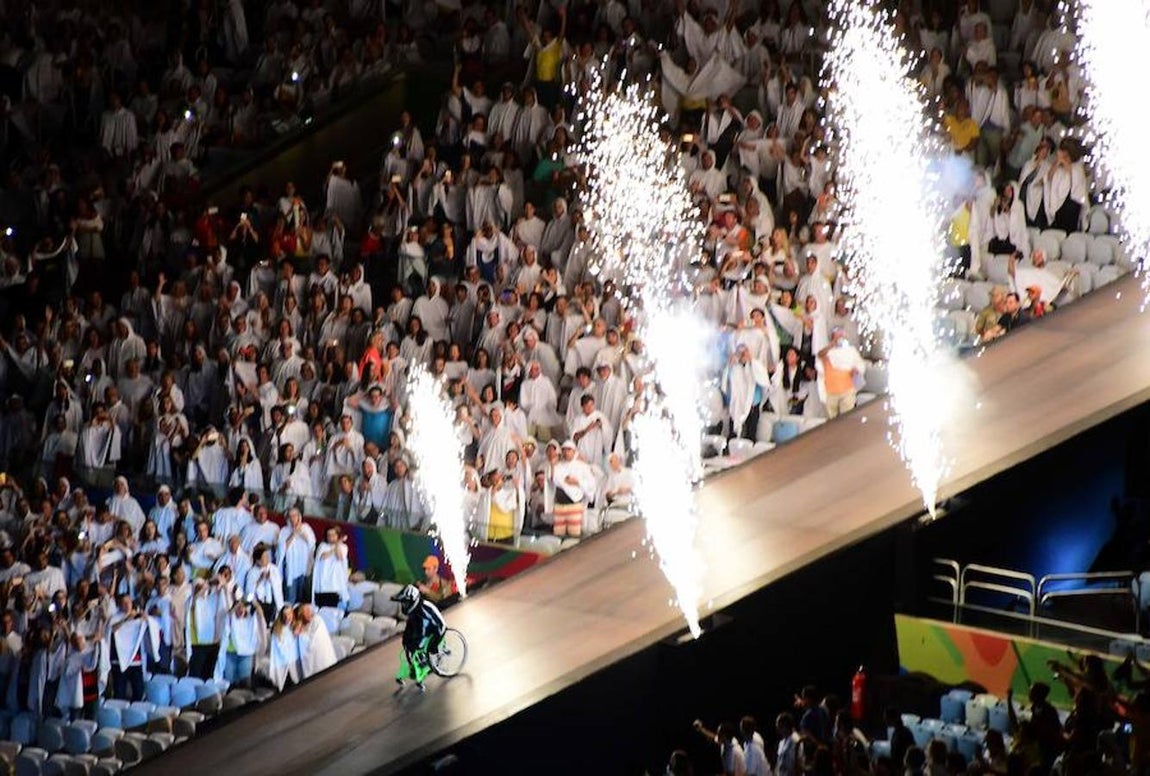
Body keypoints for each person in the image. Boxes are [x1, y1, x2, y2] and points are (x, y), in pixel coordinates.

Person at [391, 584, 446, 691]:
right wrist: (406, 639)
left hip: (437, 628)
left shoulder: (423, 610)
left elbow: (423, 630)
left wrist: (416, 643)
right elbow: (411, 627)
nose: (404, 606)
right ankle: (416, 664)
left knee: (424, 646)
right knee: (407, 642)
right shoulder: (414, 611)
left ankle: (431, 661)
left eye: (406, 603)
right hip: (422, 626)